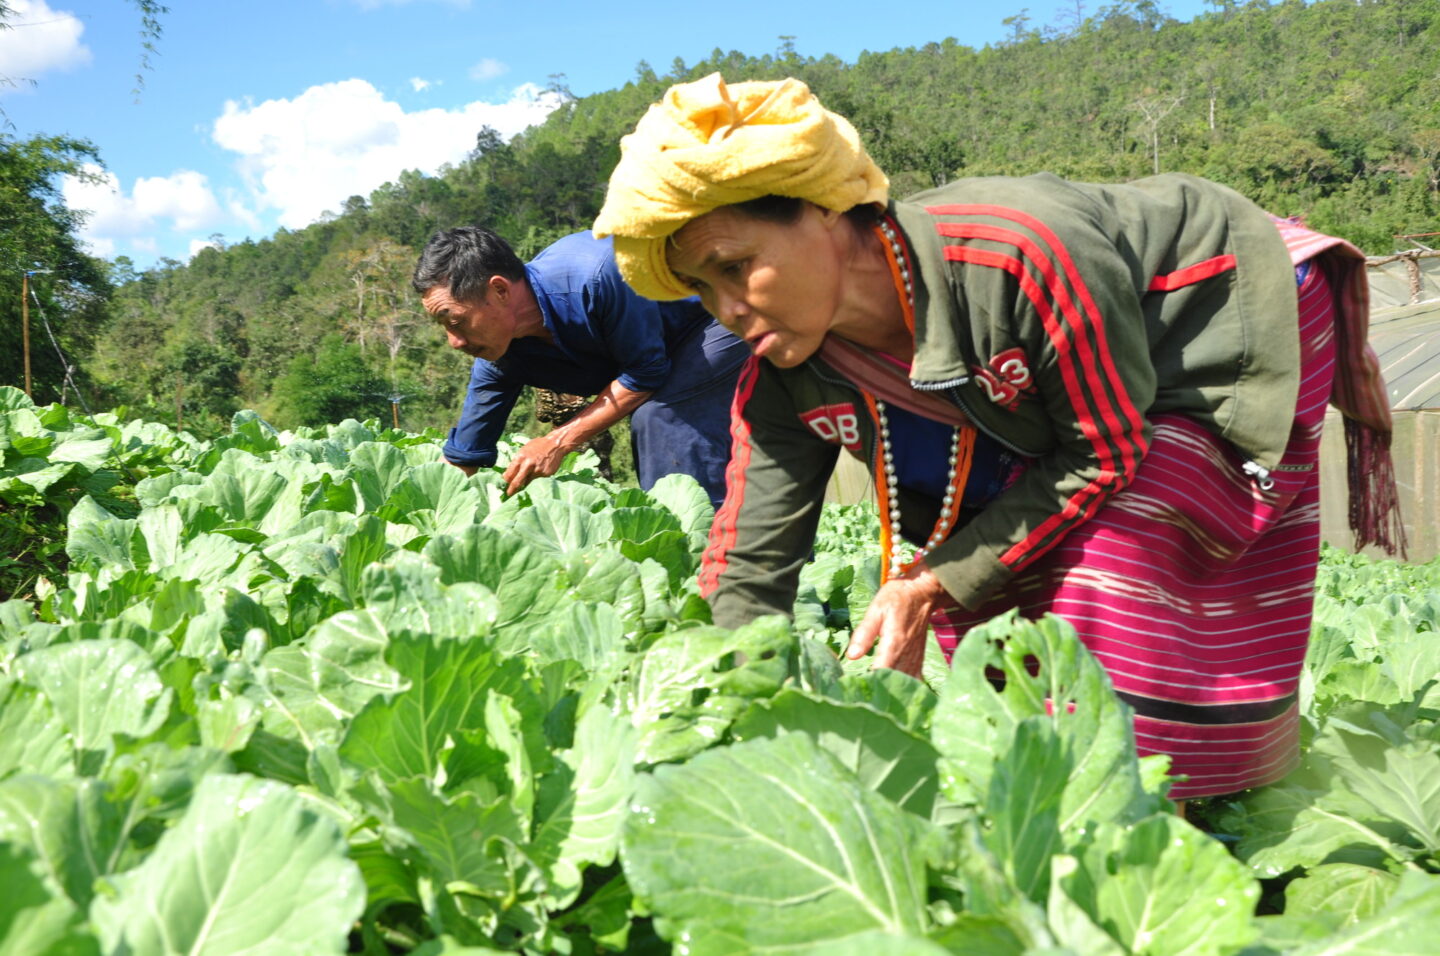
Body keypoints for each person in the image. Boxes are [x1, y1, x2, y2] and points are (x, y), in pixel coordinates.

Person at [591, 73, 1404, 800]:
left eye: (736, 266)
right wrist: (708, 715)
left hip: (1207, 315)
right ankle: (1066, 788)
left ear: (827, 214)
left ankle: (1163, 804)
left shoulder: (1015, 258)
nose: (726, 308)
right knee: (1000, 573)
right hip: (1082, 385)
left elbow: (1102, 453)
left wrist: (926, 583)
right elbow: (752, 562)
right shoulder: (784, 373)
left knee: (1109, 560)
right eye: (700, 288)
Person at [413, 226, 748, 504]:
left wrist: (557, 441)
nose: (454, 341)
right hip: (659, 351)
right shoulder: (500, 359)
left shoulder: (597, 276)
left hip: (716, 313)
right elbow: (464, 457)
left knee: (662, 420)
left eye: (455, 321)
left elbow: (645, 374)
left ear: (499, 289)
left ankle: (710, 554)